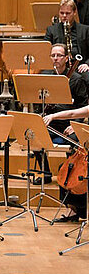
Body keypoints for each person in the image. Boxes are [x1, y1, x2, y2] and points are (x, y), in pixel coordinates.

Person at [35, 44, 88, 185]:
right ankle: (45, 173)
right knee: (33, 135)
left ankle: (69, 173)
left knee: (75, 138)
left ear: (66, 58)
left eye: (59, 55)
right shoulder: (46, 77)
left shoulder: (76, 79)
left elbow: (83, 106)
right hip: (50, 122)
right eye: (53, 55)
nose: (56, 58)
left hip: (68, 123)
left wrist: (75, 125)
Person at [45, 0, 89, 84]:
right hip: (59, 66)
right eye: (62, 13)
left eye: (68, 13)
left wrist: (87, 64)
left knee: (87, 78)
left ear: (74, 12)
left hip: (79, 66)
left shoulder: (85, 30)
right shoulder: (51, 30)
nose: (64, 16)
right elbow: (45, 51)